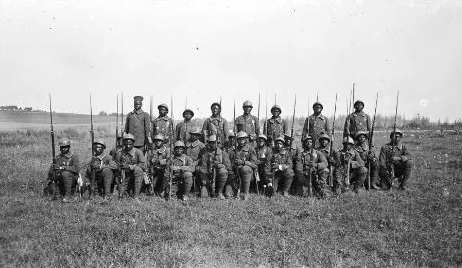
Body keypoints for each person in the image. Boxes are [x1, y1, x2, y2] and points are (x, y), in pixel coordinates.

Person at [45, 138, 80, 202]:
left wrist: (64, 168)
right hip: (60, 180)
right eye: (62, 147)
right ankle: (56, 195)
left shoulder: (74, 156)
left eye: (65, 147)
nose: (63, 149)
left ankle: (68, 196)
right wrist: (52, 172)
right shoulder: (58, 157)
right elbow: (51, 172)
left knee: (65, 173)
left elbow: (76, 169)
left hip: (72, 180)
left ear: (69, 147)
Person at [114, 134, 146, 201]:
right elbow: (116, 166)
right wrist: (121, 167)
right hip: (124, 176)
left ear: (133, 144)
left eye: (130, 144)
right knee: (122, 193)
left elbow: (143, 165)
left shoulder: (138, 152)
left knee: (138, 170)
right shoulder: (120, 153)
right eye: (126, 144)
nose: (128, 146)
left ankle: (136, 197)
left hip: (137, 176)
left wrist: (130, 167)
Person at [197, 135, 231, 199]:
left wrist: (219, 165)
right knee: (203, 195)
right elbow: (203, 169)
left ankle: (220, 192)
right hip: (209, 179)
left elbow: (229, 167)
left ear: (218, 143)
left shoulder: (223, 153)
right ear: (209, 143)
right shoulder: (205, 154)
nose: (213, 144)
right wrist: (207, 182)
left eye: (215, 143)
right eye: (211, 143)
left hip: (220, 179)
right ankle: (211, 190)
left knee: (223, 171)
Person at [227, 131, 258, 200]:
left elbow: (255, 165)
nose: (241, 141)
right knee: (227, 194)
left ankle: (246, 192)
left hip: (249, 175)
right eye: (239, 139)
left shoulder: (251, 149)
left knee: (245, 169)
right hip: (235, 174)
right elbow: (228, 163)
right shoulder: (233, 150)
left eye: (243, 139)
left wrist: (243, 162)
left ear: (246, 139)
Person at [185, 128, 206, 193]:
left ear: (198, 136)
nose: (194, 136)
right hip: (187, 163)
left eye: (196, 135)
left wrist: (195, 163)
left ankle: (197, 188)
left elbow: (202, 158)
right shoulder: (187, 143)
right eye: (192, 134)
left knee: (198, 171)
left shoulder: (201, 145)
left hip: (196, 164)